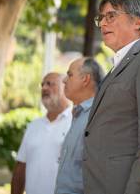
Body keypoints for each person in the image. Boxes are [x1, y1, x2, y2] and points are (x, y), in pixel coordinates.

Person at [83, 0, 140, 194]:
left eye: (111, 16)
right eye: (101, 18)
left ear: (137, 22)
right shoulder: (118, 66)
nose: (102, 24)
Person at [11, 73, 72, 194]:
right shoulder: (33, 126)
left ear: (64, 87)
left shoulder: (75, 122)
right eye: (42, 84)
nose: (44, 88)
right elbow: (20, 167)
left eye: (50, 84)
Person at [54, 58, 104, 194]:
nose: (64, 80)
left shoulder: (96, 117)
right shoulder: (79, 115)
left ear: (86, 79)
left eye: (70, 75)